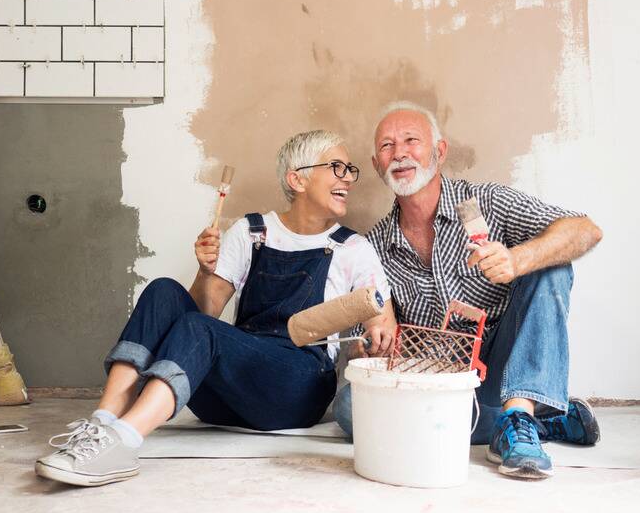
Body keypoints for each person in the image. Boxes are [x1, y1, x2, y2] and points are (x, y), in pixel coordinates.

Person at [36, 130, 395, 487]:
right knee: (163, 291)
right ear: (297, 179)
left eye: (349, 169)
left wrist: (374, 339)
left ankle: (124, 441)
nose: (347, 177)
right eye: (336, 167)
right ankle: (101, 425)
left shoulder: (352, 248)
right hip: (230, 390)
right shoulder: (252, 231)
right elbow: (203, 314)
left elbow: (384, 324)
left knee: (200, 330)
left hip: (294, 390)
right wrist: (205, 271)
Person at [334, 102, 604, 480]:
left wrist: (516, 259)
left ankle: (520, 414)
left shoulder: (488, 203)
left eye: (412, 140)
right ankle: (539, 421)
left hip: (503, 369)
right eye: (386, 146)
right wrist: (373, 345)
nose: (399, 153)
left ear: (439, 151)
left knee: (551, 266)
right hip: (438, 379)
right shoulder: (373, 246)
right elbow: (384, 327)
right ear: (378, 165)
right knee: (350, 409)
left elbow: (585, 229)